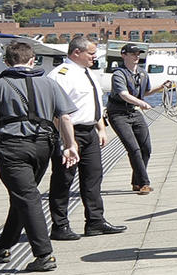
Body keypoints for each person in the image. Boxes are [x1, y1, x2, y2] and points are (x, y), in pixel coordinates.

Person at [0, 39, 80, 272]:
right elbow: (65, 117)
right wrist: (71, 145)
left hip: (12, 148)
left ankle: (44, 255)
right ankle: (3, 245)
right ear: (33, 60)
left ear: (5, 62)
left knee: (27, 197)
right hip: (43, 146)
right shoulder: (50, 84)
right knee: (23, 195)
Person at [47, 35, 126, 239]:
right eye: (91, 53)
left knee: (93, 178)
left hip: (89, 130)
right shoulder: (61, 75)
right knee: (63, 180)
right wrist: (67, 141)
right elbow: (56, 111)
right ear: (76, 53)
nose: (94, 57)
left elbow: (93, 104)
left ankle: (95, 221)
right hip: (69, 132)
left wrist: (101, 128)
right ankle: (60, 225)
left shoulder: (86, 72)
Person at [107, 43, 170, 194]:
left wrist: (161, 87)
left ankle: (136, 181)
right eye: (133, 54)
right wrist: (141, 103)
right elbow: (124, 94)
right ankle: (144, 183)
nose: (136, 57)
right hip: (118, 113)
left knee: (146, 148)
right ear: (124, 55)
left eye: (138, 54)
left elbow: (146, 92)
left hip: (134, 113)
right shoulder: (118, 74)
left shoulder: (142, 74)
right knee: (133, 149)